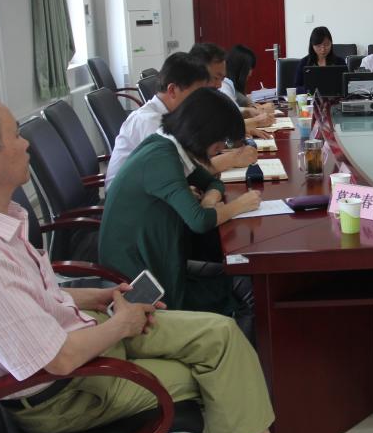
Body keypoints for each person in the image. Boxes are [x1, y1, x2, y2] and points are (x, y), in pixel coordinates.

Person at [0, 95, 345, 433]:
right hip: (71, 390)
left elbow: (34, 299)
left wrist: (100, 297)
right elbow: (57, 360)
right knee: (212, 372)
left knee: (222, 333)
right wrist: (121, 324)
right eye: (15, 135)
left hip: (84, 332)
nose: (25, 142)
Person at [100, 88, 260, 326]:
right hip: (142, 285)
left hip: (163, 260)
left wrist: (210, 199)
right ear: (206, 133)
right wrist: (239, 205)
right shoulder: (161, 158)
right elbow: (199, 221)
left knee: (244, 275)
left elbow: (213, 181)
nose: (221, 149)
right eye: (222, 141)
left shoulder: (168, 146)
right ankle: (237, 347)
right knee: (249, 290)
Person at [105, 51, 257, 190]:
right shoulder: (149, 122)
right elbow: (181, 171)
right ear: (172, 90)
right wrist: (233, 158)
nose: (200, 101)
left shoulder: (176, 116)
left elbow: (193, 156)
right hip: (130, 204)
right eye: (196, 94)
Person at [189, 43, 275, 136]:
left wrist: (245, 123)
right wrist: (255, 122)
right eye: (216, 78)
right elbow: (211, 130)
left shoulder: (208, 99)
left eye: (222, 79)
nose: (219, 86)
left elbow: (222, 122)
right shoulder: (188, 106)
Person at [293, 26, 346, 91]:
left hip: (335, 97)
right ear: (312, 45)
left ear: (331, 43)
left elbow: (348, 84)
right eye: (318, 46)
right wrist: (310, 89)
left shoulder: (340, 62)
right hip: (311, 96)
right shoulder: (304, 62)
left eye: (326, 45)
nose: (323, 49)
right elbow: (296, 87)